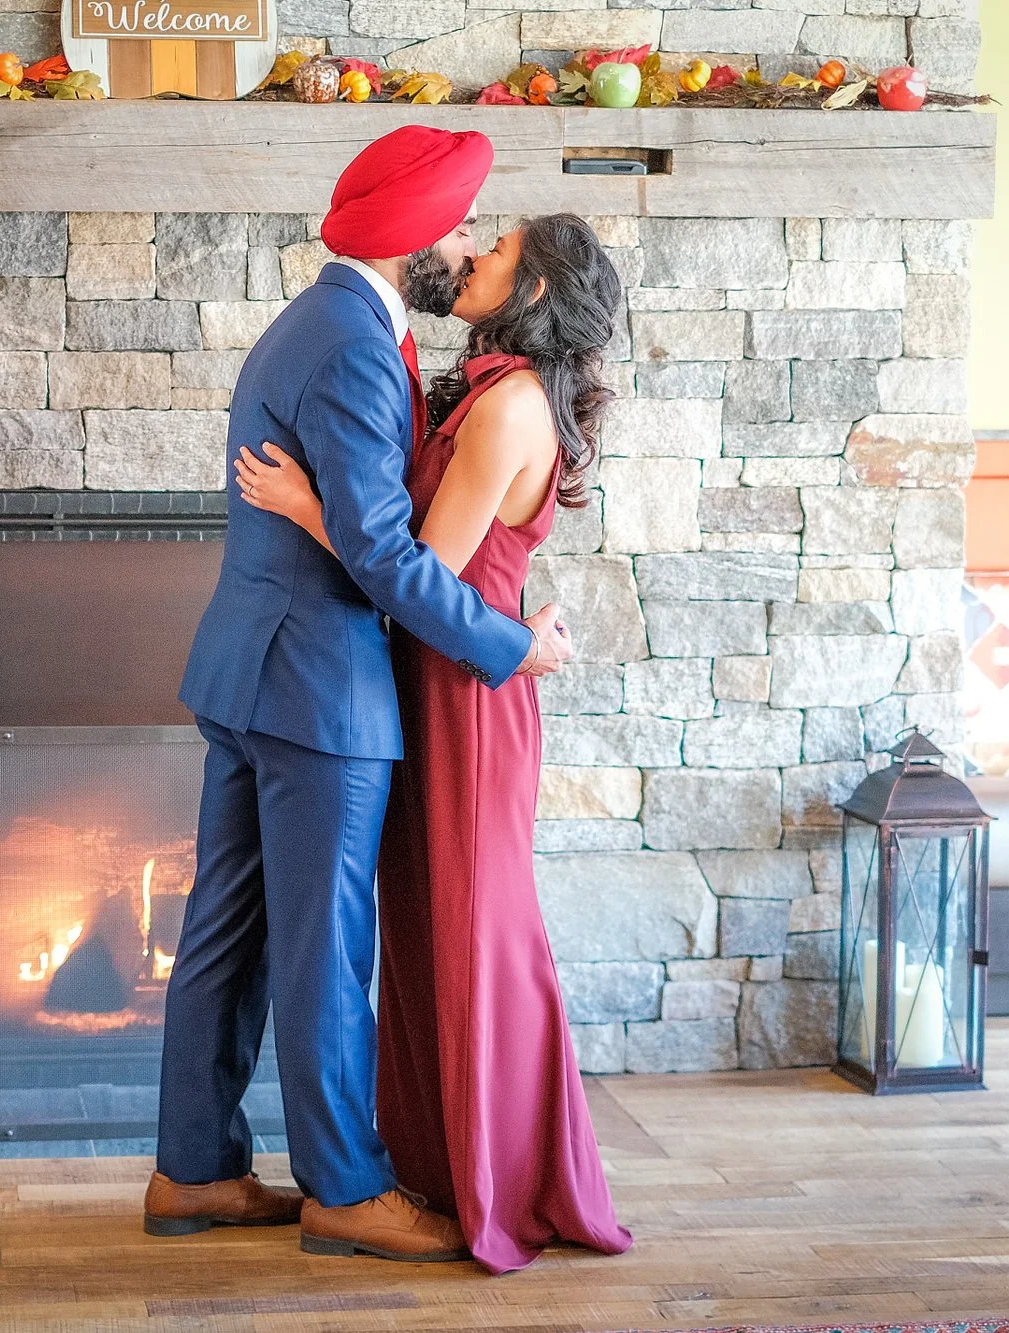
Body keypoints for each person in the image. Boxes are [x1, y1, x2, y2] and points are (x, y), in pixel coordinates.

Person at [145, 126, 577, 1265]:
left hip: (253, 673)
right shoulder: (350, 344)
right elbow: (387, 556)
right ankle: (344, 1188)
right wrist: (509, 646)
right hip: (315, 688)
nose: (465, 246)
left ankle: (193, 1169)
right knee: (323, 950)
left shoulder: (326, 322)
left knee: (228, 933)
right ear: (411, 236)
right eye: (458, 226)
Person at [234, 213, 635, 1274]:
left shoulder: (506, 406)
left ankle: (505, 1181)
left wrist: (308, 506)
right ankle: (445, 1167)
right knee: (427, 931)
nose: (469, 254)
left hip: (463, 700)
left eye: (495, 251)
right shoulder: (491, 390)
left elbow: (417, 572)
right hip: (432, 683)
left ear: (532, 290)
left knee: (470, 932)